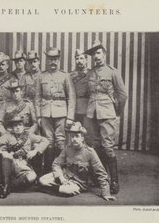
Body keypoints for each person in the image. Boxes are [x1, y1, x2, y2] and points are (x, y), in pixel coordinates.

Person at [85, 40, 127, 195]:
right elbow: (90, 93)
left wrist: (117, 111)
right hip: (92, 112)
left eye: (98, 53)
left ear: (104, 54)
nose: (96, 56)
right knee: (95, 145)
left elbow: (123, 95)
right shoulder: (90, 73)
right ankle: (100, 178)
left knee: (107, 146)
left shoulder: (112, 72)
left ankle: (114, 181)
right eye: (93, 54)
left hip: (107, 112)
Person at [39, 122, 114, 201]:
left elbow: (101, 173)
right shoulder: (67, 148)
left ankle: (49, 189)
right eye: (72, 137)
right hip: (65, 177)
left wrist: (106, 193)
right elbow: (56, 163)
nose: (74, 139)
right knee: (42, 180)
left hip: (79, 183)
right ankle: (57, 188)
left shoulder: (90, 152)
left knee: (66, 190)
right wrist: (61, 178)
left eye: (77, 136)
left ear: (82, 138)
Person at [0, 114, 48, 199]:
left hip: (24, 165)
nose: (18, 127)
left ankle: (8, 186)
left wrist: (35, 151)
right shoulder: (7, 136)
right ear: (12, 128)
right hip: (11, 164)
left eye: (20, 125)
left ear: (24, 127)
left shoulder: (29, 136)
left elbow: (45, 140)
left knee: (32, 176)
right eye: (15, 125)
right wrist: (1, 152)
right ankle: (6, 186)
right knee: (7, 157)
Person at [37, 47, 75, 172]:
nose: (52, 62)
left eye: (55, 59)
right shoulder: (41, 76)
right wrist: (38, 116)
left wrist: (70, 117)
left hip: (61, 113)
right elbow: (37, 97)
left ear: (58, 60)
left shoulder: (65, 76)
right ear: (46, 60)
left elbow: (71, 97)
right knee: (48, 142)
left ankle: (61, 171)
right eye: (50, 59)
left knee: (60, 141)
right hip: (45, 113)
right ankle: (47, 171)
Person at [69, 49, 90, 125]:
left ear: (86, 60)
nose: (79, 61)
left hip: (88, 108)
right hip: (75, 108)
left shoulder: (91, 74)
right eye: (77, 58)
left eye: (81, 58)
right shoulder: (70, 75)